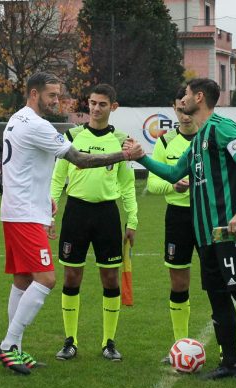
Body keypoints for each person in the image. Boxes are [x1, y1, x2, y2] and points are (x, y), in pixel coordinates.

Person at [129, 78, 236, 387]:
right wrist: (140, 157)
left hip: (229, 230)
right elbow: (172, 173)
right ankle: (230, 362)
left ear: (199, 97)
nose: (181, 100)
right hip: (206, 234)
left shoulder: (223, 128)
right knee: (218, 298)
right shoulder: (197, 139)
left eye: (184, 95)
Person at [0, 72, 142, 375]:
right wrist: (123, 154)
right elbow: (80, 161)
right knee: (46, 279)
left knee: (23, 279)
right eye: (52, 95)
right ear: (34, 94)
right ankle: (9, 345)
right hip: (25, 214)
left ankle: (16, 347)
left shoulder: (17, 118)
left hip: (18, 210)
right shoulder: (37, 125)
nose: (57, 101)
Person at [51, 84, 138, 362]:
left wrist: (132, 220)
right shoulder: (72, 136)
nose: (95, 108)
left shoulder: (123, 141)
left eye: (102, 104)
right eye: (92, 103)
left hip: (107, 215)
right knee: (71, 276)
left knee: (110, 277)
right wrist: (49, 213)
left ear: (113, 106)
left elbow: (127, 184)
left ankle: (109, 342)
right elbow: (57, 178)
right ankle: (70, 341)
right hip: (75, 212)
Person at [146, 86, 198, 360]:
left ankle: (227, 348)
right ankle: (180, 346)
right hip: (177, 218)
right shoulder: (165, 143)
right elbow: (153, 183)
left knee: (218, 283)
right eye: (180, 110)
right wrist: (172, 185)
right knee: (178, 282)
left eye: (189, 109)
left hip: (207, 215)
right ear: (174, 109)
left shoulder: (208, 139)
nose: (185, 115)